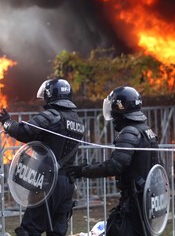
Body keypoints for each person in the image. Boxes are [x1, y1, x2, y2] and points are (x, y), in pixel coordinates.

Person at [67, 86, 160, 236]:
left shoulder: (130, 132)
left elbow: (115, 166)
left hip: (135, 200)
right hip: (146, 197)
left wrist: (82, 170)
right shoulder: (146, 131)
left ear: (119, 108)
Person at [0, 78, 86, 236]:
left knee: (29, 229)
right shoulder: (78, 121)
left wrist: (7, 123)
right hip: (68, 185)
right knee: (57, 231)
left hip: (47, 182)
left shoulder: (52, 116)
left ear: (51, 95)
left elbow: (24, 131)